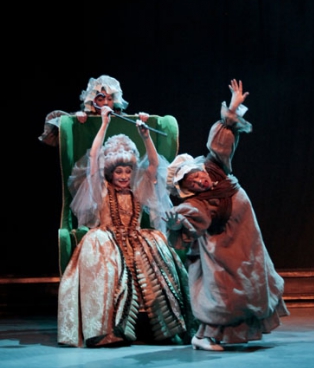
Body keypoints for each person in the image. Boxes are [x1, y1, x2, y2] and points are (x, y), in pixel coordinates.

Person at [164, 79, 289, 352]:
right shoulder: (197, 202)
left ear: (198, 168)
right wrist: (176, 224)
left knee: (253, 287)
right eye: (192, 183)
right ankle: (203, 336)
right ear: (187, 189)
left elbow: (222, 143)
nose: (199, 181)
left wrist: (232, 111)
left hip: (247, 243)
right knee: (228, 296)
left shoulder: (215, 167)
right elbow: (189, 220)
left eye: (196, 175)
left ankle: (233, 333)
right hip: (223, 251)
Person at [57, 105, 195, 348]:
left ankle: (162, 329)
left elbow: (153, 166)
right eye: (118, 171)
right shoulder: (101, 189)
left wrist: (146, 137)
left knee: (158, 258)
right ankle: (109, 330)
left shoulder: (138, 189)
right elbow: (94, 158)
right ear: (110, 173)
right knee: (106, 262)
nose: (123, 176)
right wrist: (104, 124)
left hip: (137, 238)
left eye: (128, 171)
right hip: (107, 239)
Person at [38, 75, 130, 147]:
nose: (106, 103)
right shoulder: (84, 116)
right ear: (93, 101)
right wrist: (74, 120)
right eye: (100, 99)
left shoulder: (123, 119)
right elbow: (55, 128)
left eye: (109, 99)